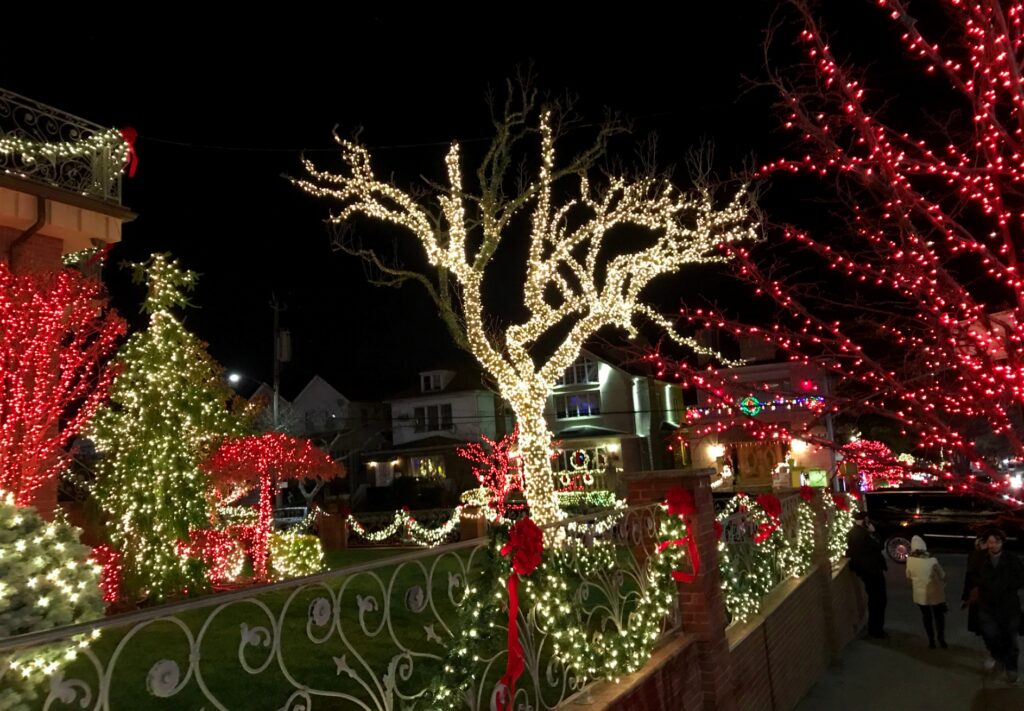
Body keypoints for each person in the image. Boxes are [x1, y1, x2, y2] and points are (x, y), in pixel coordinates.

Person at [966, 527, 1024, 682]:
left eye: (996, 542)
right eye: (990, 542)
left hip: (1009, 607)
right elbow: (971, 573)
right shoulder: (979, 558)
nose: (993, 545)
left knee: (1011, 638)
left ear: (1002, 543)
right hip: (987, 605)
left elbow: (1020, 578)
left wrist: (1006, 586)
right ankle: (999, 657)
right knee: (990, 635)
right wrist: (983, 584)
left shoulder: (1012, 560)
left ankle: (1011, 667)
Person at [847, 509, 888, 638]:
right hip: (872, 571)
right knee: (878, 600)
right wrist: (874, 532)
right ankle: (876, 629)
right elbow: (879, 545)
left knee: (876, 600)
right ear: (863, 520)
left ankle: (875, 628)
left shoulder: (854, 533)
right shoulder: (861, 534)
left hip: (868, 571)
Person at [905, 535, 947, 648]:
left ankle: (931, 641)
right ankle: (941, 639)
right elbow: (942, 574)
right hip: (934, 594)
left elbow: (908, 576)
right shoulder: (932, 560)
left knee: (926, 616)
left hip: (920, 595)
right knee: (939, 616)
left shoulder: (910, 561)